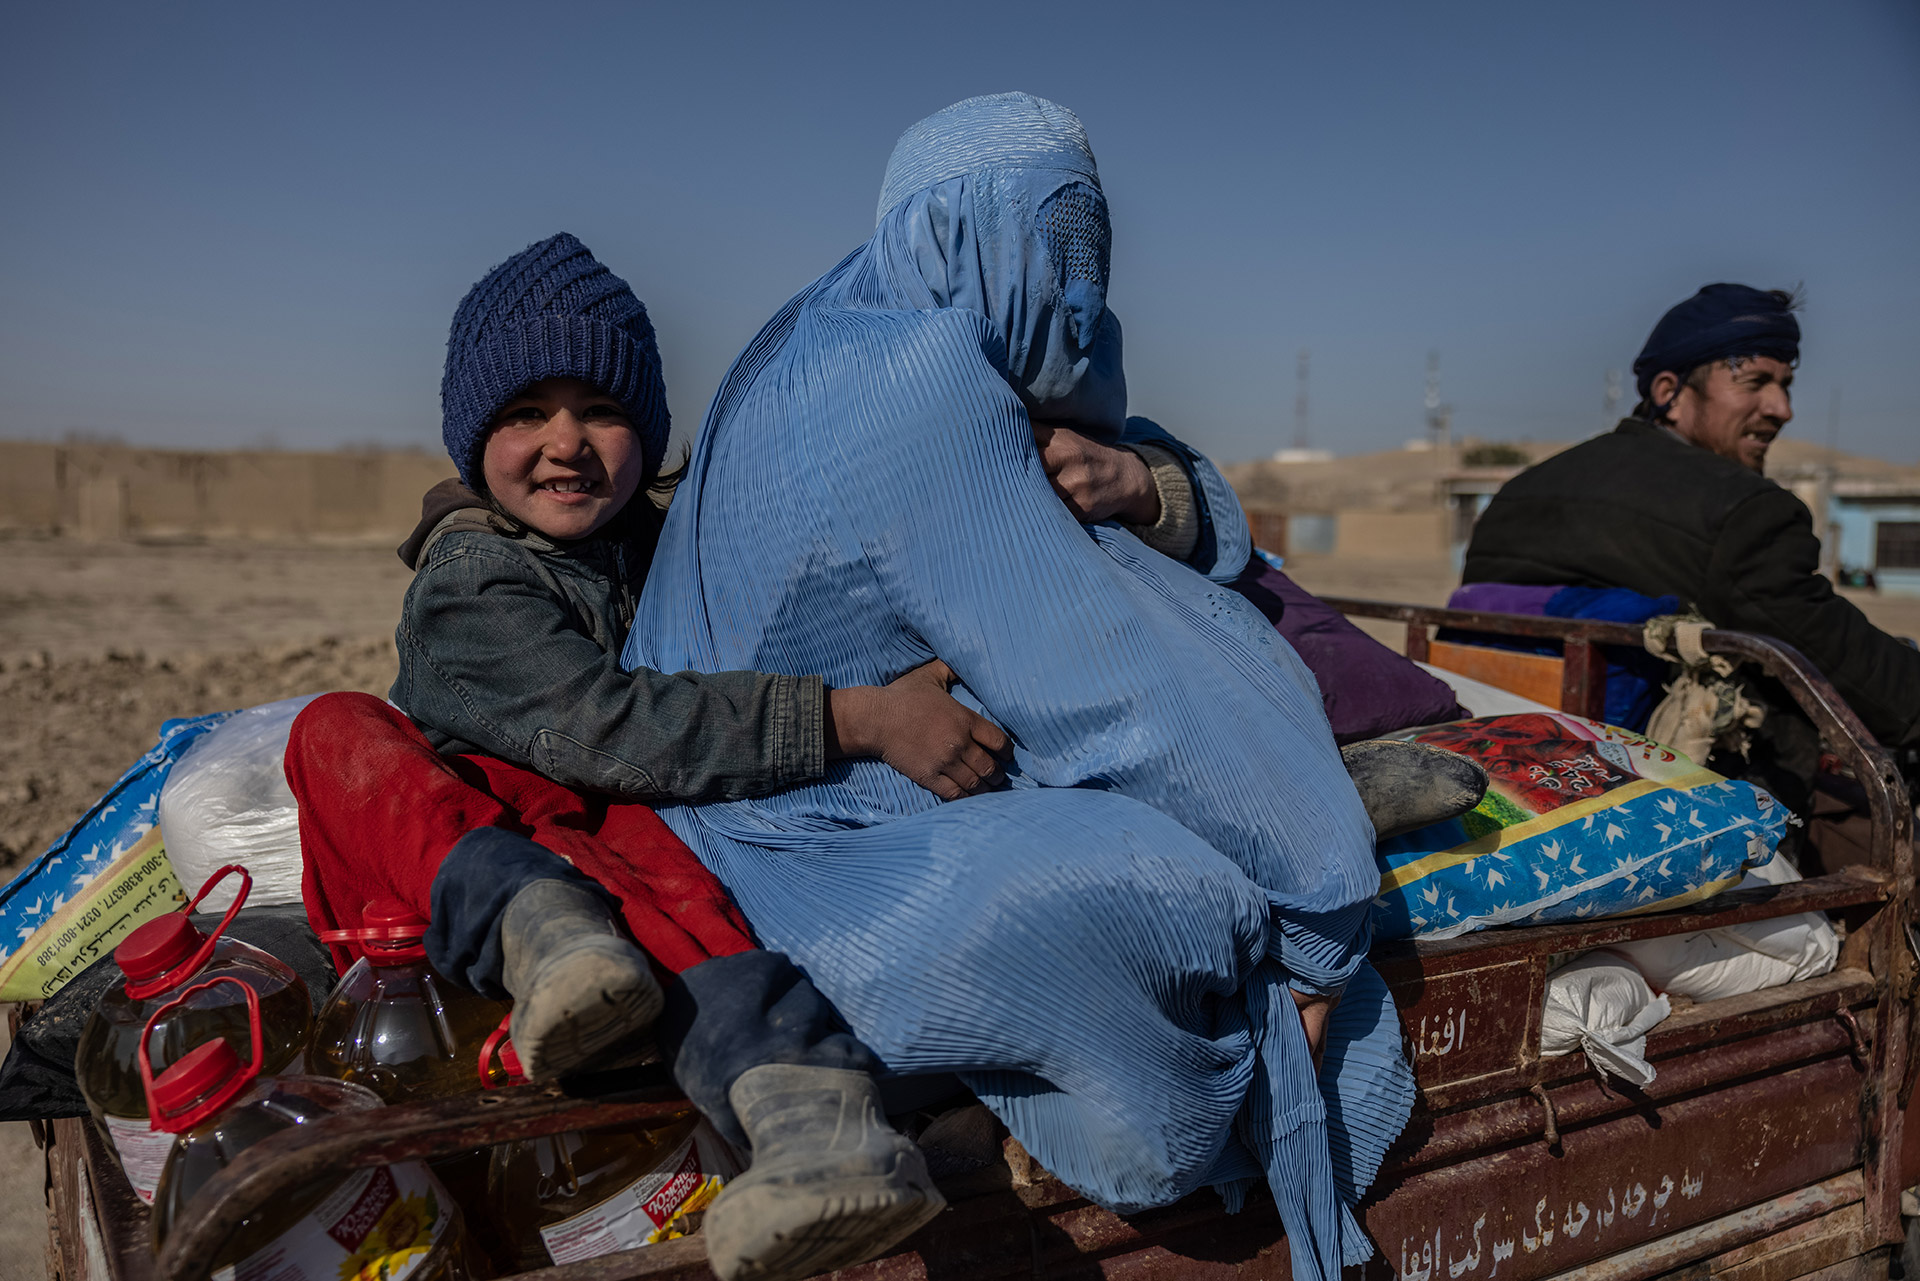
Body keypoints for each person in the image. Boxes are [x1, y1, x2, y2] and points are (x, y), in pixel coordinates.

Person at [624, 93, 1422, 1281]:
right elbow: (1108, 687)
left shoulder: (854, 319)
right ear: (983, 239)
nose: (1084, 292)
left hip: (823, 782)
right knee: (1182, 893)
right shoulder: (911, 379)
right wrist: (1320, 917)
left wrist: (1142, 481)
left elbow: (1122, 451)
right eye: (1063, 252)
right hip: (820, 825)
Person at [286, 232, 1017, 1280]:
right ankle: (538, 930)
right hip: (460, 884)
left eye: (605, 410)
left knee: (638, 839)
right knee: (338, 728)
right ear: (472, 434)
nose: (567, 441)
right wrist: (853, 720)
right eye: (527, 412)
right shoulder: (470, 584)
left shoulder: (671, 551)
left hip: (617, 869)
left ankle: (819, 1136)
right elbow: (610, 727)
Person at [1463, 284, 1920, 814]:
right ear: (1669, 392)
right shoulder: (1744, 511)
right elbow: (1845, 665)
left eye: (1786, 386)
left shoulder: (1519, 492)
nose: (1782, 408)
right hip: (1660, 792)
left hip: (1503, 765)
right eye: (1755, 382)